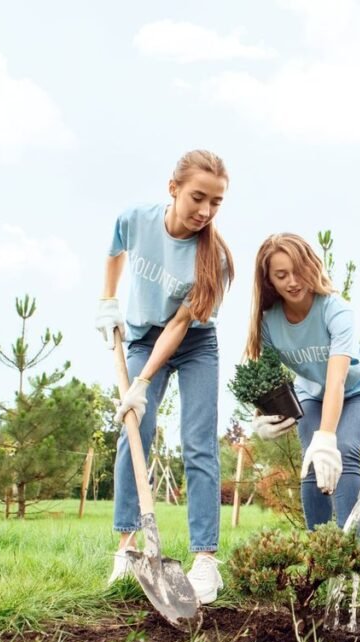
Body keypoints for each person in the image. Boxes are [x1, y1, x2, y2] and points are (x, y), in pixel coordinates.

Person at [96, 149, 234, 605]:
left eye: (215, 202)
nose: (205, 211)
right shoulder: (136, 219)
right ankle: (127, 547)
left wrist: (142, 382)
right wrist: (107, 300)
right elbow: (115, 250)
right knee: (136, 430)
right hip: (138, 336)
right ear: (173, 188)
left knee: (197, 442)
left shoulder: (212, 259)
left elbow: (179, 326)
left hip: (193, 344)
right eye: (198, 197)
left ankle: (205, 560)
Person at [244, 233, 360, 530]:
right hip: (312, 393)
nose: (293, 282)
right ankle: (320, 556)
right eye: (281, 275)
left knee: (343, 448)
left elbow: (337, 380)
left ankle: (351, 557)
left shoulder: (335, 310)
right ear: (269, 280)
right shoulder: (268, 323)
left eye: (298, 271)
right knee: (312, 459)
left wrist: (326, 438)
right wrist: (260, 417)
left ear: (311, 266)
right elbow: (269, 381)